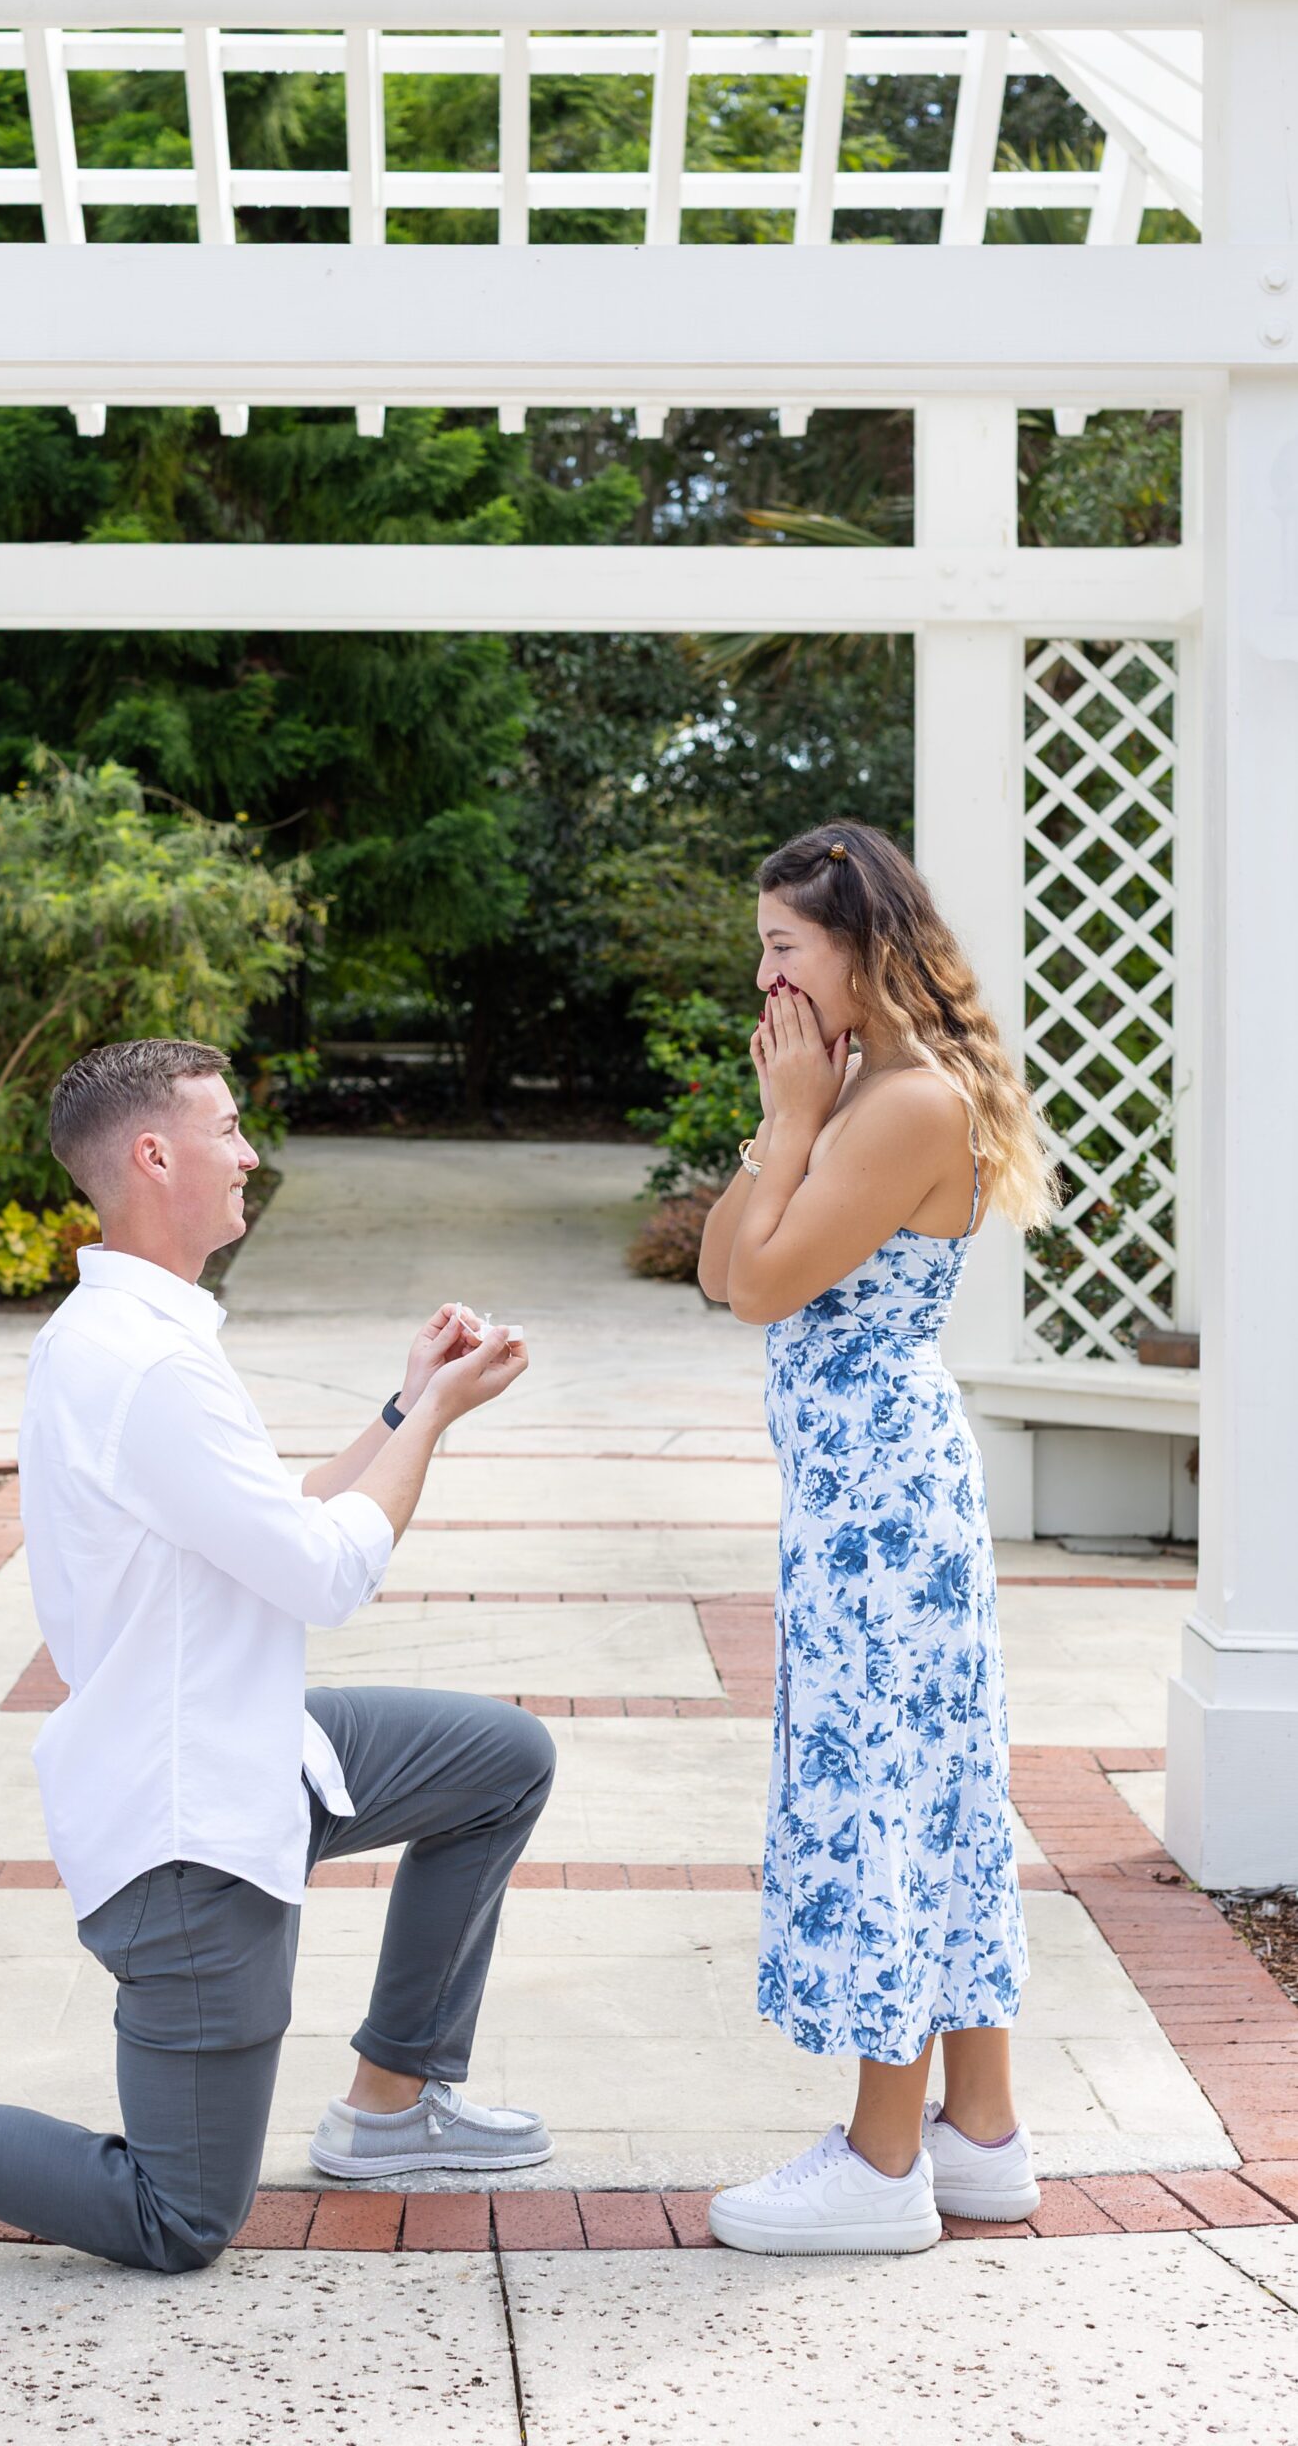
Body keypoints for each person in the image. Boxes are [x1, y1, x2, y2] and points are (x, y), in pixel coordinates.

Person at [0, 1037, 556, 2273]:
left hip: (251, 1746)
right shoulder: (149, 1363)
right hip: (188, 1828)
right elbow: (327, 1573)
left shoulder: (123, 1333)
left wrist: (399, 1405)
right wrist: (435, 1418)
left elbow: (274, 1522)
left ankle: (392, 2101)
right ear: (155, 1156)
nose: (250, 1154)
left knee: (501, 1759)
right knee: (179, 2216)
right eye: (228, 1130)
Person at [696, 823, 1057, 2258]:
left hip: (879, 1515)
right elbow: (722, 1263)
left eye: (783, 946)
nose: (765, 978)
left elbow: (761, 1287)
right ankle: (981, 2135)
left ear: (861, 947)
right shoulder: (863, 1092)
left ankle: (883, 2158)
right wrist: (786, 1120)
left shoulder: (904, 1103)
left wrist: (792, 1125)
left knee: (881, 1804)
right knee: (933, 1792)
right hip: (869, 1505)